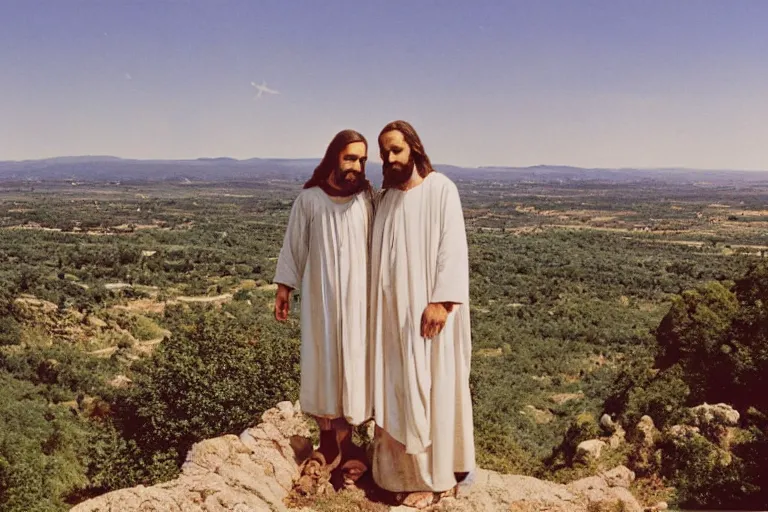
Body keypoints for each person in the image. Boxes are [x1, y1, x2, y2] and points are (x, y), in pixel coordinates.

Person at [368, 120, 476, 508]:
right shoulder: (387, 199)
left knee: (434, 387)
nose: (390, 159)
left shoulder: (441, 189)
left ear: (413, 148)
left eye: (396, 150)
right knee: (398, 389)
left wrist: (442, 302)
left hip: (432, 317)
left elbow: (453, 248)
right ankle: (397, 475)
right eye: (384, 153)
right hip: (394, 319)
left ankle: (439, 479)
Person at [274, 129, 373, 482]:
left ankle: (352, 442)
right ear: (334, 158)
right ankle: (328, 441)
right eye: (350, 158)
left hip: (361, 304)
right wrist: (285, 286)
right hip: (321, 303)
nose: (357, 166)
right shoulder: (311, 200)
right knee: (324, 365)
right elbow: (294, 245)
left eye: (362, 160)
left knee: (355, 367)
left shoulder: (367, 200)